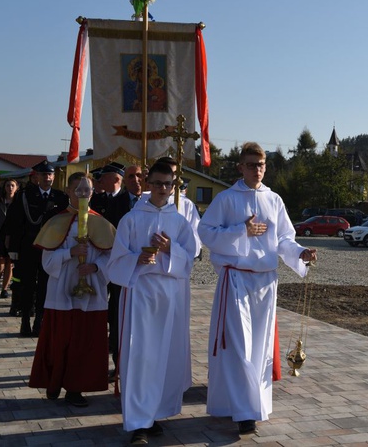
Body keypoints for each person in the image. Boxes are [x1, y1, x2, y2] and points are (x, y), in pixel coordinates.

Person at [197, 142, 317, 435]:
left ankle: (254, 404)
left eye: (261, 165)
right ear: (241, 167)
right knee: (239, 345)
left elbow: (285, 238)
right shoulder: (226, 199)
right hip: (236, 278)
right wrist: (242, 231)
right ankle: (244, 413)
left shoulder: (273, 199)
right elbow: (205, 232)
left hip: (265, 280)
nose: (257, 170)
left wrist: (300, 252)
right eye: (251, 165)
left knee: (260, 346)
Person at [106, 162, 197, 445]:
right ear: (148, 183)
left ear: (173, 186)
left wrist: (171, 250)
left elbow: (190, 259)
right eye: (157, 183)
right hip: (141, 293)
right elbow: (115, 264)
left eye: (167, 184)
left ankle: (154, 412)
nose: (162, 189)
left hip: (170, 295)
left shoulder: (179, 221)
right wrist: (137, 259)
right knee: (141, 356)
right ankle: (138, 423)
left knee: (165, 356)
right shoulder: (131, 219)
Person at [28, 172, 116, 407]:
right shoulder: (56, 221)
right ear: (67, 191)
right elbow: (47, 263)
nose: (82, 194)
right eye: (77, 190)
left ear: (93, 192)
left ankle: (76, 389)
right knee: (60, 341)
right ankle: (54, 381)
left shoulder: (103, 224)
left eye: (86, 190)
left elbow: (113, 259)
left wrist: (96, 266)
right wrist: (70, 253)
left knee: (84, 344)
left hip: (92, 294)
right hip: (62, 293)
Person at [4, 161, 69, 336]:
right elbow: (16, 222)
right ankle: (25, 320)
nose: (48, 178)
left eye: (50, 175)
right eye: (44, 175)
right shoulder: (25, 195)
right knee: (27, 285)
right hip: (28, 248)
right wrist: (14, 249)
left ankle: (39, 321)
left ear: (54, 177)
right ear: (37, 177)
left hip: (50, 249)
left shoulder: (60, 198)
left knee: (45, 286)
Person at [103, 164, 143, 375]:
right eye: (131, 176)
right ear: (124, 181)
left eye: (139, 176)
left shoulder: (152, 203)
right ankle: (118, 363)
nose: (136, 180)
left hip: (146, 272)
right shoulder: (115, 204)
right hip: (123, 270)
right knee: (118, 315)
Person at [0, 178, 19, 298]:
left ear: (16, 187)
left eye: (12, 185)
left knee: (9, 263)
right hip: (0, 234)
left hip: (14, 235)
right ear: (4, 187)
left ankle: (5, 288)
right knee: (0, 262)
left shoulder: (19, 201)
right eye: (8, 186)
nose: (10, 188)